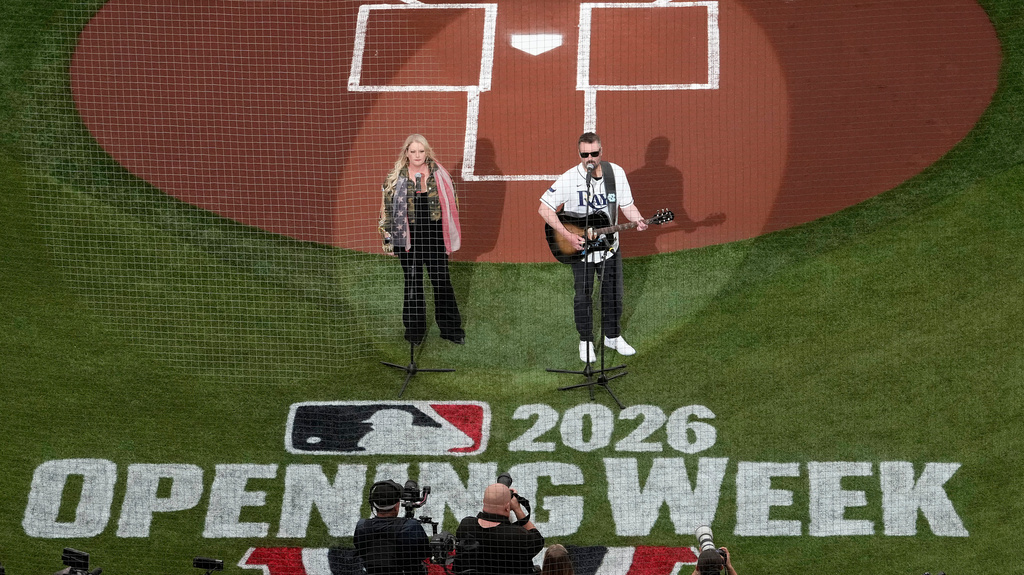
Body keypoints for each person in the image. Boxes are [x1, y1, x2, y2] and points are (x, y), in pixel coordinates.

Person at [539, 132, 647, 363]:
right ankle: (586, 340)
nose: (590, 158)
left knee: (613, 295)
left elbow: (627, 206)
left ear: (601, 152)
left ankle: (612, 336)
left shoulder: (615, 174)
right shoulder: (569, 178)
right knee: (582, 297)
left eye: (594, 153)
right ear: (579, 154)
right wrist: (567, 235)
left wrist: (638, 219)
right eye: (584, 154)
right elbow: (544, 208)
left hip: (609, 248)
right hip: (581, 253)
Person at [379, 134, 465, 346]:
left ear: (427, 152)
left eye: (421, 151)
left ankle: (450, 328)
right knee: (413, 283)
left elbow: (452, 204)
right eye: (413, 151)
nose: (417, 155)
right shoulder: (395, 176)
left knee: (442, 281)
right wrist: (388, 240)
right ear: (406, 153)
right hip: (408, 237)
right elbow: (385, 210)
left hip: (435, 235)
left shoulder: (440, 174)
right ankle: (414, 331)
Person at [454, 482, 544, 575]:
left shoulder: (466, 526)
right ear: (507, 507)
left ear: (484, 502)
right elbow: (538, 540)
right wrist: (518, 509)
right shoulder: (517, 535)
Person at [353, 480, 432, 575]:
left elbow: (360, 549)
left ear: (373, 504)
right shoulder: (411, 527)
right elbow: (426, 554)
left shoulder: (362, 526)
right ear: (397, 506)